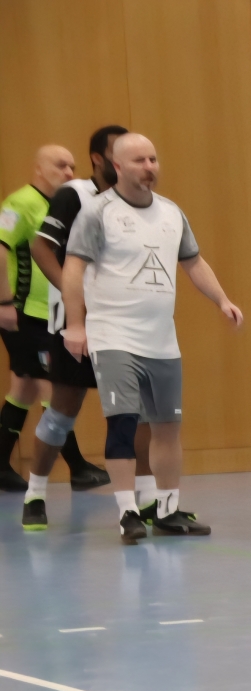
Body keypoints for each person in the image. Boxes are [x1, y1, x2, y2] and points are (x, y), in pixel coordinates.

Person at [62, 133, 244, 544]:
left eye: (153, 159)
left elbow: (193, 262)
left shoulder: (171, 213)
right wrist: (75, 325)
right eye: (139, 160)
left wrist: (222, 300)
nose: (149, 167)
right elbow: (73, 268)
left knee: (167, 427)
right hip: (114, 335)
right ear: (117, 166)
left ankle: (167, 510)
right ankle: (128, 512)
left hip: (162, 340)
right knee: (123, 423)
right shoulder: (98, 212)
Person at [23, 126, 134, 530]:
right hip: (77, 324)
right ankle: (35, 494)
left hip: (122, 323)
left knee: (134, 412)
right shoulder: (75, 195)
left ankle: (143, 503)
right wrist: (75, 298)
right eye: (117, 153)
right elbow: (40, 247)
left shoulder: (136, 202)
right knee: (62, 413)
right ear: (99, 159)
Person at [0, 144, 89, 494]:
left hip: (48, 313)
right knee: (53, 385)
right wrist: (4, 302)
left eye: (72, 167)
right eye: (59, 165)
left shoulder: (60, 207)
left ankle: (1, 465)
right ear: (38, 169)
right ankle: (78, 467)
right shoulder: (19, 203)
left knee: (23, 388)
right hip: (23, 312)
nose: (68, 173)